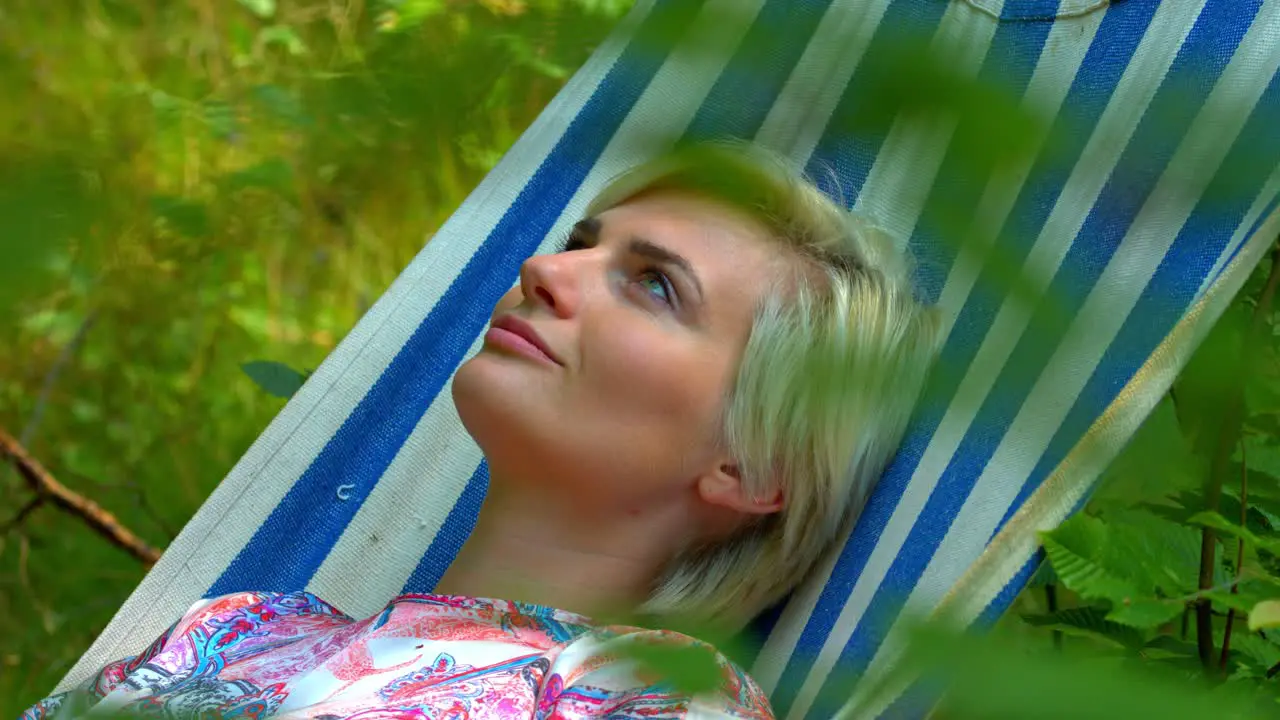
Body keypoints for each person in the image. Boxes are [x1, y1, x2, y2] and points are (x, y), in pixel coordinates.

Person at [21, 141, 940, 720]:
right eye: (584, 243)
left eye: (656, 285)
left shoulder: (649, 696)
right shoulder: (238, 629)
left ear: (752, 461)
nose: (546, 268)